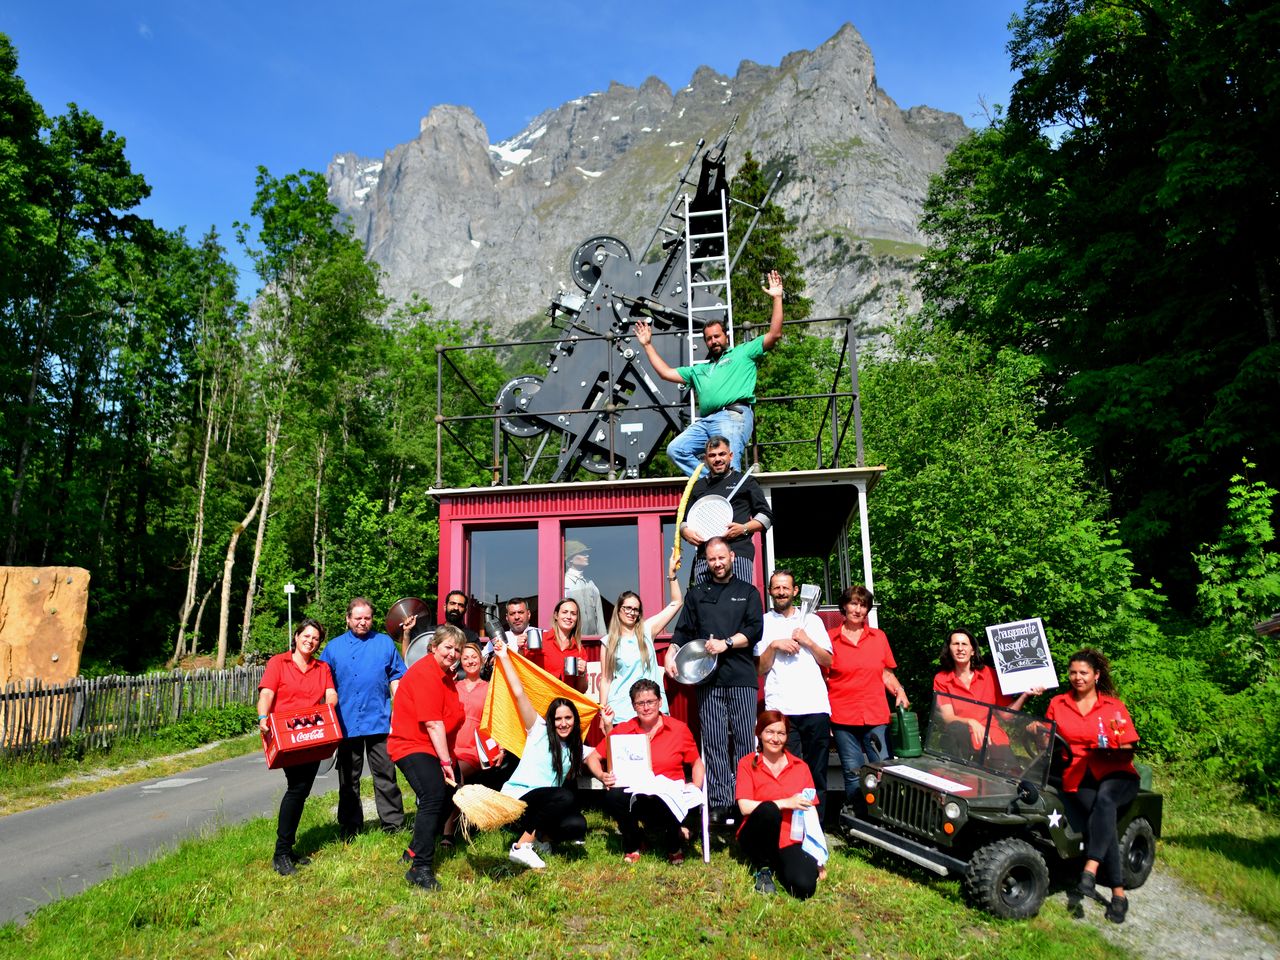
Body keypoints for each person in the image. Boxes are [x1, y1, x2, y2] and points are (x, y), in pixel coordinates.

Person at [634, 269, 787, 475]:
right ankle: (711, 481)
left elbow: (774, 334)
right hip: (706, 422)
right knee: (676, 449)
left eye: (717, 336)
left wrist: (777, 297)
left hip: (732, 415)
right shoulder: (700, 370)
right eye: (709, 338)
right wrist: (647, 345)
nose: (713, 341)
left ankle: (727, 487)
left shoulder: (743, 353)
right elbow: (665, 373)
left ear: (726, 336)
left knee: (729, 464)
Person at [664, 536, 763, 825]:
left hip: (742, 677)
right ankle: (720, 802)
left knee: (745, 740)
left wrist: (727, 643)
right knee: (715, 741)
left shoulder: (748, 592)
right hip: (707, 679)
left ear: (732, 556)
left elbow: (754, 630)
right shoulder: (696, 594)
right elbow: (683, 631)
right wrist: (671, 655)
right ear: (706, 562)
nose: (717, 563)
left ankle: (746, 800)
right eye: (712, 559)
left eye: (721, 557)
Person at [1044, 648, 1141, 924]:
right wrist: (1035, 731)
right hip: (1079, 774)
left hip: (1117, 773)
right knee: (1103, 817)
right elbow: (1047, 737)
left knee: (1106, 801)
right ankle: (1119, 894)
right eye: (1073, 672)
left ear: (1096, 675)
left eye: (1083, 673)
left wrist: (1112, 749)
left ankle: (1091, 868)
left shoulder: (1113, 708)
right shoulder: (1058, 704)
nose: (1077, 677)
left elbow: (1127, 744)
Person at [494, 639, 597, 870]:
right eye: (558, 718)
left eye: (568, 718)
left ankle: (541, 839)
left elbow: (601, 753)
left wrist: (608, 724)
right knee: (564, 796)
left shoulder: (575, 748)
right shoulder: (538, 730)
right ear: (551, 720)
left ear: (575, 720)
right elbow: (519, 693)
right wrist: (503, 656)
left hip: (544, 804)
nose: (563, 723)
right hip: (519, 799)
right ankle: (522, 847)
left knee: (577, 825)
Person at [587, 679, 705, 864]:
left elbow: (696, 763)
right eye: (640, 703)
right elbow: (592, 757)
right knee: (613, 797)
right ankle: (633, 843)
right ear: (634, 706)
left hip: (669, 794)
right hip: (637, 794)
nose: (646, 707)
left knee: (672, 794)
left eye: (650, 702)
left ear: (659, 702)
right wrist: (602, 776)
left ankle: (674, 846)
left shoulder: (679, 729)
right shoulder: (624, 729)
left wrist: (695, 786)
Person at [320, 597, 407, 838]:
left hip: (379, 720)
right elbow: (322, 683)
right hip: (346, 723)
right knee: (348, 778)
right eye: (357, 618)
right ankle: (350, 826)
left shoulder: (384, 643)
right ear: (348, 619)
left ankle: (393, 824)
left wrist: (399, 709)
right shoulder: (333, 648)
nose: (362, 622)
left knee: (386, 775)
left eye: (367, 618)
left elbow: (397, 676)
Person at [257, 618, 338, 876]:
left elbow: (330, 693)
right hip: (286, 733)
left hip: (313, 733)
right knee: (297, 788)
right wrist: (262, 717)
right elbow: (267, 693)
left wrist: (330, 705)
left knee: (302, 791)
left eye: (315, 638)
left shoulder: (322, 667)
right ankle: (281, 853)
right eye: (307, 636)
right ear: (297, 635)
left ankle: (288, 848)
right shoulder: (278, 663)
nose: (310, 641)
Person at [387, 625, 466, 890]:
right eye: (448, 647)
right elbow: (434, 723)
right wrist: (446, 763)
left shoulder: (446, 677)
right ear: (433, 646)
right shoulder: (425, 673)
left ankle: (413, 850)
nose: (453, 653)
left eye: (457, 649)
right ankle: (420, 867)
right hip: (412, 745)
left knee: (449, 796)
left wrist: (449, 759)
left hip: (434, 748)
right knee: (433, 795)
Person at [756, 570, 833, 810]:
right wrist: (774, 645)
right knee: (787, 770)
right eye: (776, 588)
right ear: (770, 592)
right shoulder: (763, 623)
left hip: (814, 706)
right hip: (781, 709)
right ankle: (790, 826)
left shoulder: (813, 621)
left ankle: (815, 825)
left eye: (785, 588)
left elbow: (828, 660)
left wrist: (808, 641)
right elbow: (760, 669)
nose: (781, 592)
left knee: (816, 770)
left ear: (795, 591)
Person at [826, 585, 909, 801]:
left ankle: (887, 818)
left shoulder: (878, 637)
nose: (858, 609)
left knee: (885, 771)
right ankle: (857, 816)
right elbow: (822, 679)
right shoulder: (829, 638)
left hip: (875, 716)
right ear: (844, 606)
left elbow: (886, 673)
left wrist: (899, 691)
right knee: (853, 773)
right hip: (843, 717)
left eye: (863, 605)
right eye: (853, 603)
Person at [734, 711, 821, 899]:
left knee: (804, 887)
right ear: (759, 734)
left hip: (790, 837)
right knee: (768, 810)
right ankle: (763, 868)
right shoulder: (746, 763)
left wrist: (818, 855)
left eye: (781, 733)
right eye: (769, 732)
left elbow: (811, 811)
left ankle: (779, 865)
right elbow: (744, 807)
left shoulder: (800, 767)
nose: (775, 738)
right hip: (755, 834)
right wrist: (786, 803)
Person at [599, 550, 683, 726]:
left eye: (636, 609)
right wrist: (602, 710)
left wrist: (671, 574)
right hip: (621, 712)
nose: (631, 613)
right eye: (627, 608)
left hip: (652, 708)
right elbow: (606, 679)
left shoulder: (647, 630)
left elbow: (676, 603)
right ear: (619, 610)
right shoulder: (608, 642)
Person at [933, 629, 1043, 756]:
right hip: (960, 740)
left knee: (1011, 772)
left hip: (992, 737)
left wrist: (1025, 695)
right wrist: (971, 722)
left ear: (973, 650)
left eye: (964, 644)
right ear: (949, 649)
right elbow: (948, 717)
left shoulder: (990, 674)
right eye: (956, 644)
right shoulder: (941, 679)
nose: (960, 648)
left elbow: (1006, 715)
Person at [680, 436, 772, 583]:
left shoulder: (746, 482)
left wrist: (744, 528)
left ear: (730, 456)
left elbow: (766, 516)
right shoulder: (698, 487)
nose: (717, 459)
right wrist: (685, 532)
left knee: (737, 602)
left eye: (722, 454)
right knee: (704, 605)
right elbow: (683, 521)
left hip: (738, 554)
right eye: (712, 455)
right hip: (706, 558)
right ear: (706, 459)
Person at [530, 597, 588, 692]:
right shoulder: (540, 640)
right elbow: (522, 667)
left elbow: (581, 690)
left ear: (577, 619)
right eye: (565, 612)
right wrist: (520, 647)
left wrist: (582, 673)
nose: (569, 616)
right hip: (541, 700)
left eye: (573, 614)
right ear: (556, 615)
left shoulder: (579, 650)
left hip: (565, 703)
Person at [563, 540, 607, 636]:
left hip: (593, 643)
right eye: (582, 553)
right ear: (570, 559)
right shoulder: (563, 585)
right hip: (572, 642)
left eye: (586, 553)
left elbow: (599, 617)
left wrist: (604, 641)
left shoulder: (591, 584)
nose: (587, 556)